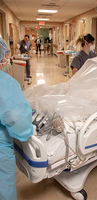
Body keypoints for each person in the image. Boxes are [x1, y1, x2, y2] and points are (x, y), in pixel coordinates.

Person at [0, 37, 34, 200]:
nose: (6, 59)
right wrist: (29, 129)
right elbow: (18, 120)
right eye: (4, 56)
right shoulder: (5, 84)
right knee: (4, 187)